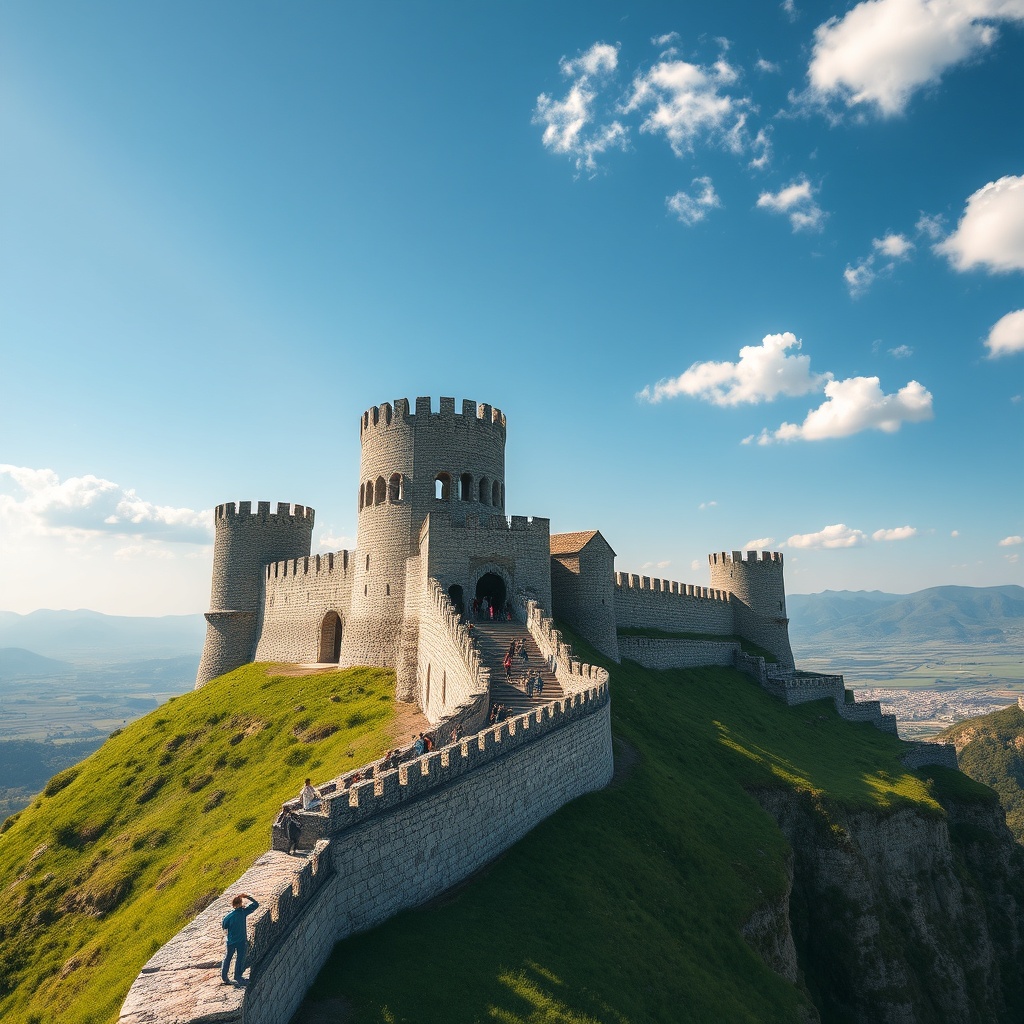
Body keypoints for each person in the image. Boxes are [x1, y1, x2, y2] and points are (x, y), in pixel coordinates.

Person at [221, 892, 259, 986]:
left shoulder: (228, 917)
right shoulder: (243, 912)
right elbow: (256, 904)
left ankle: (224, 977)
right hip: (241, 941)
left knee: (228, 958)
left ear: (233, 904)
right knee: (240, 958)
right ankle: (238, 977)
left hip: (230, 941)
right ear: (241, 903)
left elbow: (224, 927)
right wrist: (248, 897)